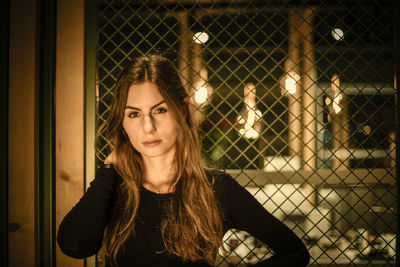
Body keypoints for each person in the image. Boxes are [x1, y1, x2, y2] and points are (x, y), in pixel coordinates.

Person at [57, 55, 310, 267]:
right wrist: (108, 170)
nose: (148, 126)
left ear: (183, 110)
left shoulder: (215, 189)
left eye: (160, 110)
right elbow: (74, 245)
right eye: (134, 114)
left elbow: (295, 253)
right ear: (122, 123)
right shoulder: (113, 188)